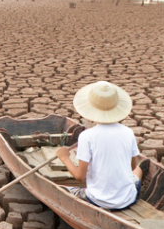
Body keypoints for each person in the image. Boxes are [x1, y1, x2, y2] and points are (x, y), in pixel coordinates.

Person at [55, 81, 143, 210]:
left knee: (65, 189)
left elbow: (80, 177)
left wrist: (64, 158)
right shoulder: (128, 132)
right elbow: (132, 167)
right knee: (138, 170)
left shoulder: (87, 136)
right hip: (128, 199)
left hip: (98, 200)